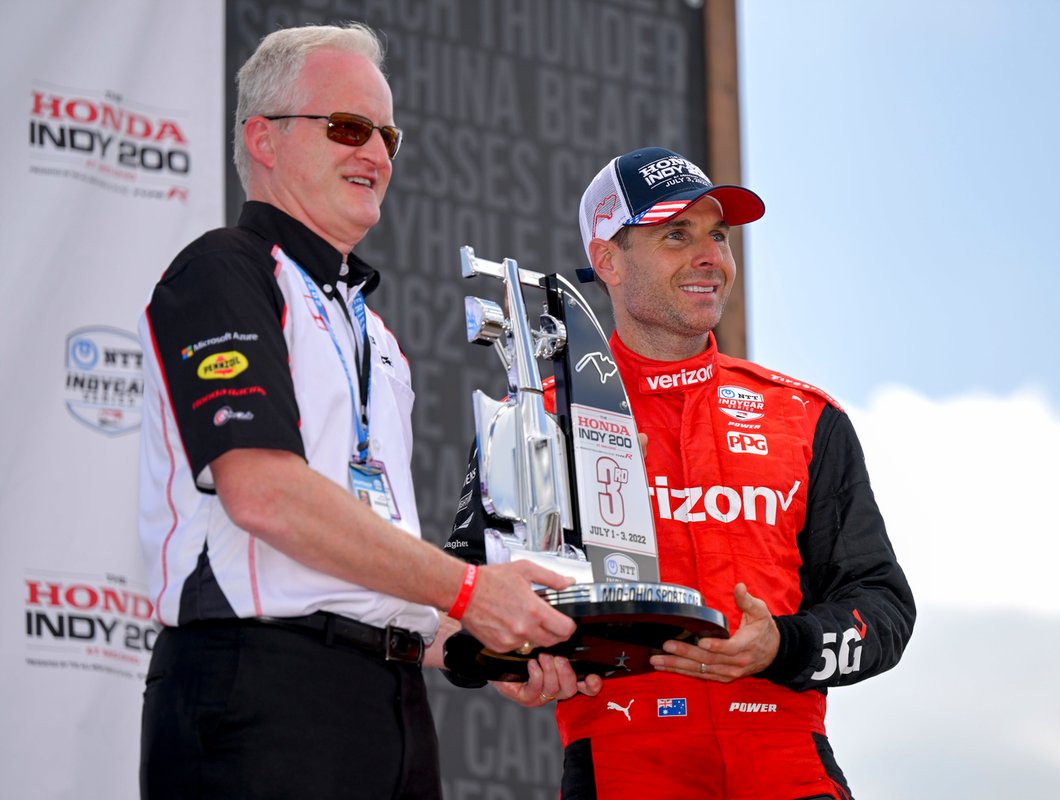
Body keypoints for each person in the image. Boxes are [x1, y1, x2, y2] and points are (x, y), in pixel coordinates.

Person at [136, 23, 586, 800]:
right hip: (259, 695)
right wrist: (473, 593)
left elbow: (367, 571)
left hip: (390, 701)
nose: (375, 155)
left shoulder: (373, 332)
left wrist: (477, 643)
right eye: (347, 127)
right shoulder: (224, 269)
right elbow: (264, 493)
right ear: (264, 140)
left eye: (388, 135)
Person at [444, 147, 916, 800]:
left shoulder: (806, 419)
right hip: (622, 760)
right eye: (676, 235)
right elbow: (459, 606)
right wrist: (508, 662)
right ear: (607, 259)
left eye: (717, 235)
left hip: (787, 761)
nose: (710, 257)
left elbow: (885, 611)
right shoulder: (535, 417)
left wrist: (784, 644)